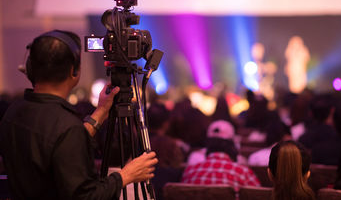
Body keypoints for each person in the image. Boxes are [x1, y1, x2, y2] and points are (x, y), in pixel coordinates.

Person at [0, 30, 158, 200]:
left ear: (30, 68)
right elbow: (85, 196)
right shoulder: (67, 126)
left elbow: (54, 147)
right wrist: (125, 176)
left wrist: (101, 111)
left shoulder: (13, 112)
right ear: (73, 70)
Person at [181, 126, 260, 191]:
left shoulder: (190, 170)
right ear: (233, 153)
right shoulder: (243, 172)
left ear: (207, 151)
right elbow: (258, 195)